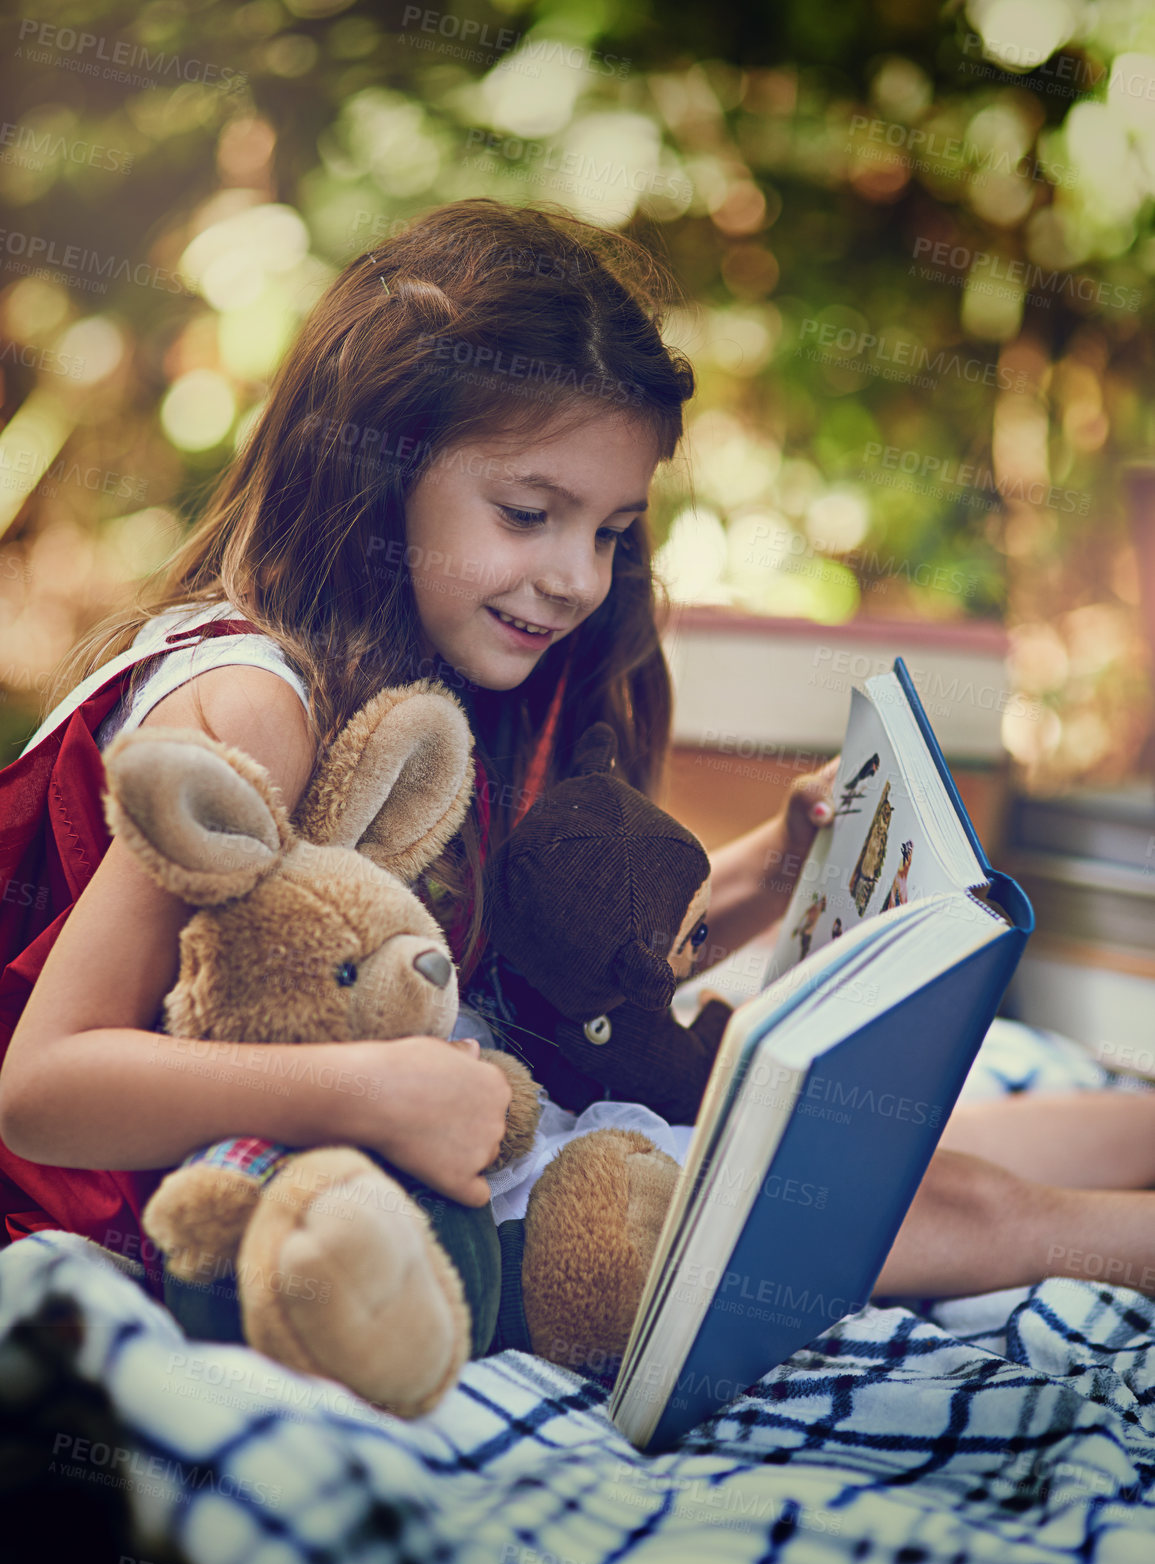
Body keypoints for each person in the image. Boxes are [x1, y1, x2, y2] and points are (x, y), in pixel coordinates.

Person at [0, 198, 1152, 1325]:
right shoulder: (256, 707)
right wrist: (375, 1093)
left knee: (932, 1142)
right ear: (374, 471)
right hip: (233, 1208)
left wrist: (784, 866)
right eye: (527, 513)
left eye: (608, 531)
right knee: (939, 1205)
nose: (578, 577)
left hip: (463, 1120)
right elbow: (44, 1091)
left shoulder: (463, 674)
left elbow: (545, 980)